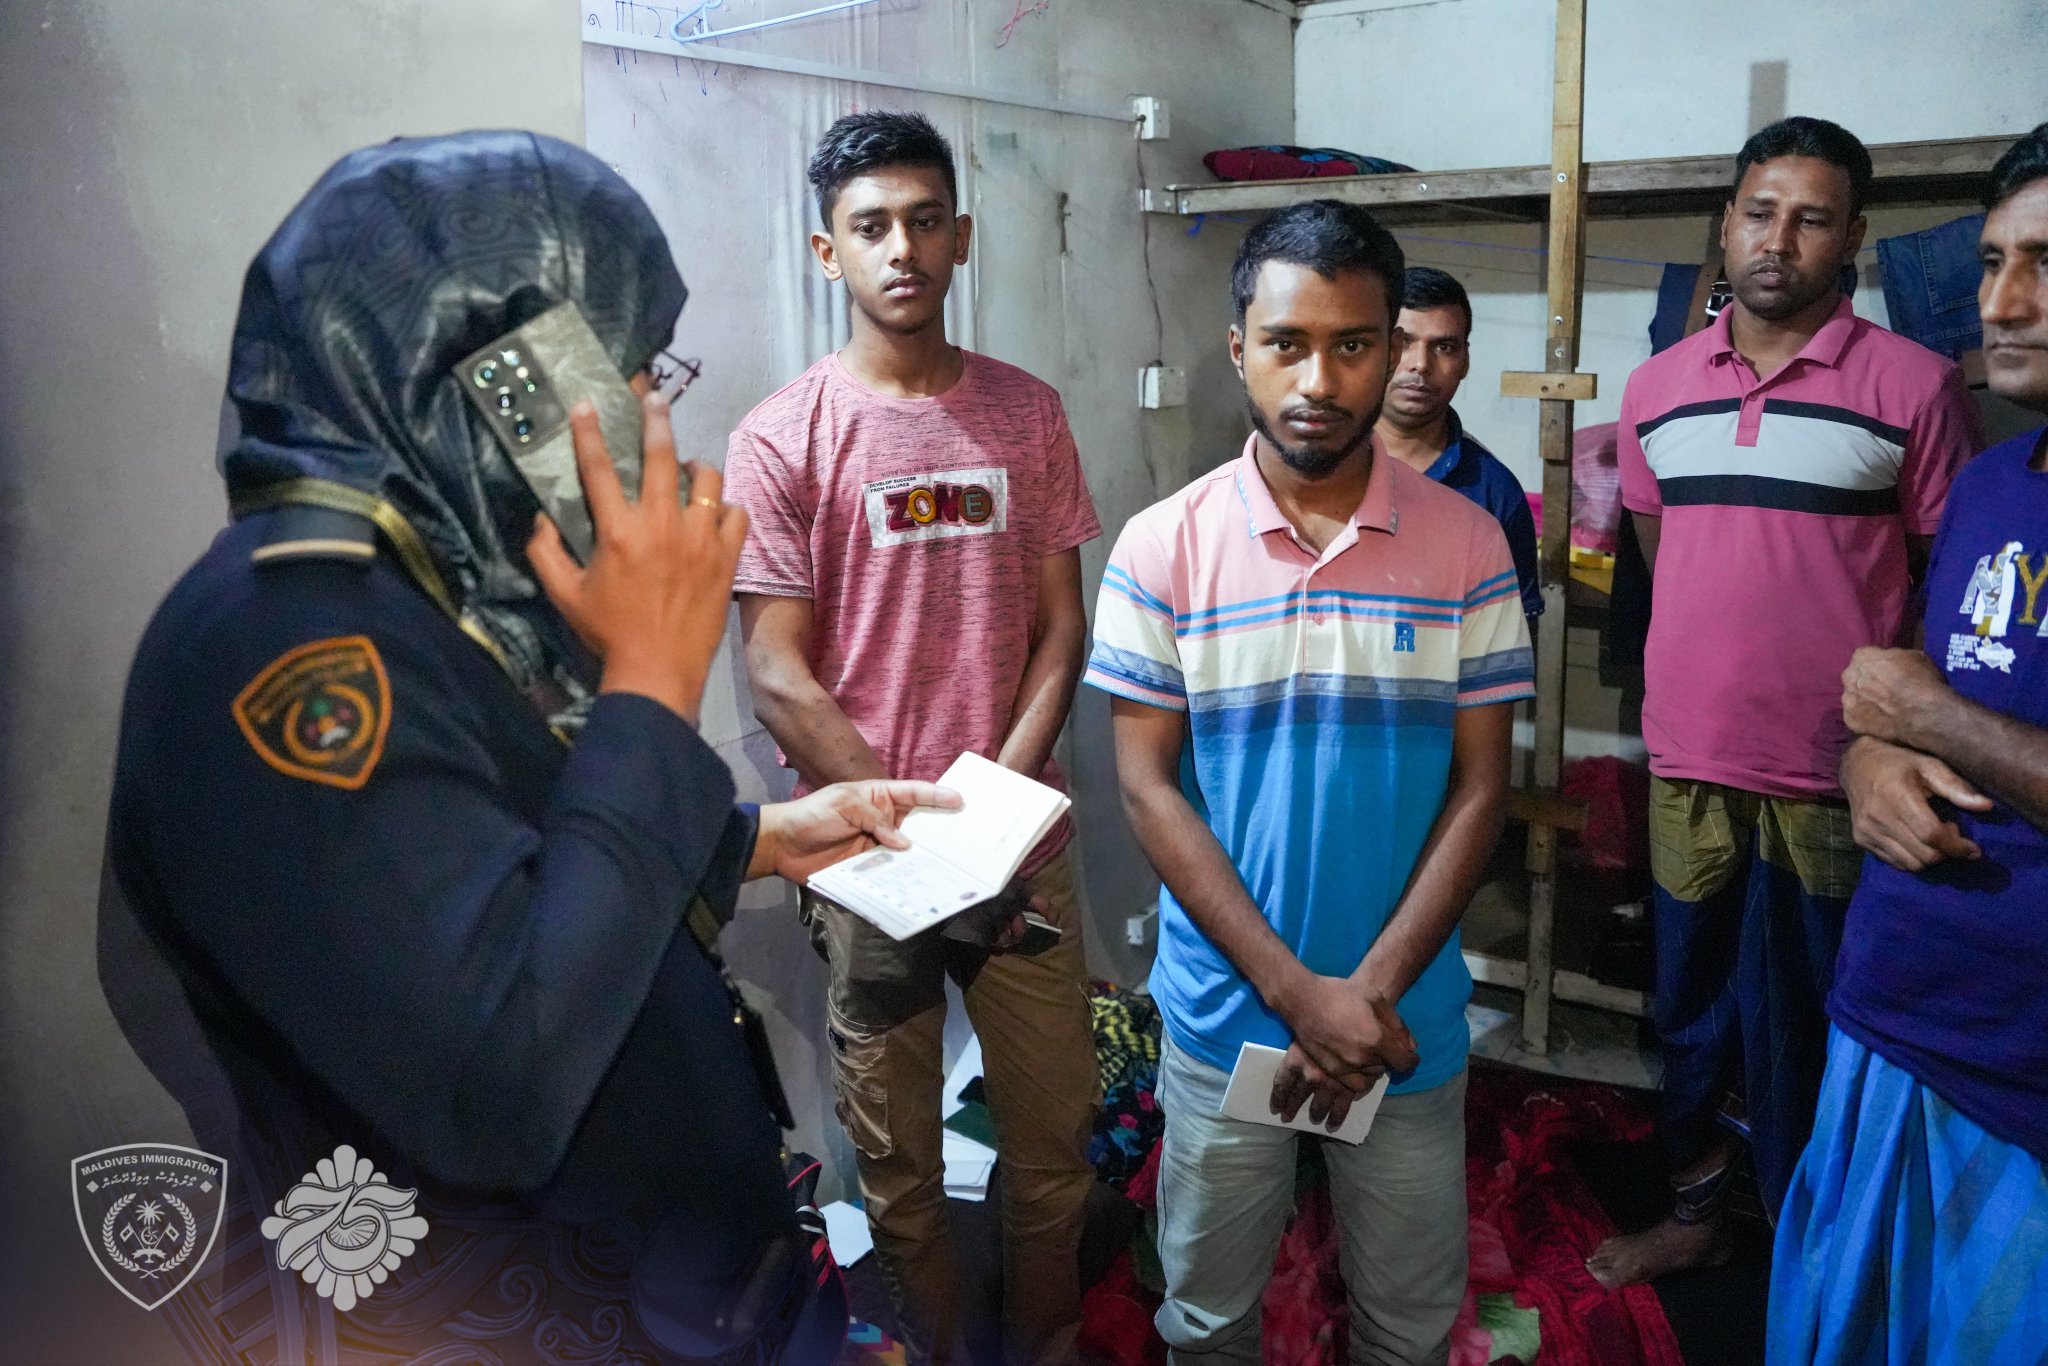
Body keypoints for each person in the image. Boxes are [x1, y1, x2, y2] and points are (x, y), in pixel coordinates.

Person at [99, 131, 956, 1364]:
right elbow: (499, 1079)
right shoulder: (288, 645)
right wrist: (651, 681)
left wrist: (753, 843)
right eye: (628, 368)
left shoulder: (429, 588)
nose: (654, 409)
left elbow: (496, 859)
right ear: (507, 388)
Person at [1086, 199, 1532, 1365]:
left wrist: (1363, 999)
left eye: (1351, 345)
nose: (1318, 380)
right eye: (1287, 343)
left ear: (1389, 352)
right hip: (1228, 1021)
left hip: (1402, 1025)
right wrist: (1299, 996)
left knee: (1406, 1329)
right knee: (1207, 1323)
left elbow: (1480, 788)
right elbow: (1145, 791)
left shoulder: (1467, 544)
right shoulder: (1160, 546)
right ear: (1237, 346)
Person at [721, 111, 1101, 1366]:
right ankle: (934, 1349)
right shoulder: (781, 437)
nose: (903, 249)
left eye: (925, 221)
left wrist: (992, 805)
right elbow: (774, 671)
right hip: (866, 859)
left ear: (961, 237)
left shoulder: (1026, 414)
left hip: (1019, 849)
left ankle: (1044, 1341)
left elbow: (1061, 626)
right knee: (897, 1160)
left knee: (1052, 1142)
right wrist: (904, 820)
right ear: (826, 252)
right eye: (872, 226)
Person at [1590, 115, 1983, 1288]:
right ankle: (1695, 1210)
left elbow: (1939, 583)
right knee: (1688, 1001)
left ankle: (1809, 1243)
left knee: (1822, 1010)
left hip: (1840, 770)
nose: (1778, 239)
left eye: (1811, 219)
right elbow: (1660, 558)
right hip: (1690, 756)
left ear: (1851, 239)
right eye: (1758, 212)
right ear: (1724, 225)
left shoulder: (1913, 385)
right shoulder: (1656, 388)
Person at [1768, 123, 2048, 1366]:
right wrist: (1866, 762)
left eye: (2043, 264)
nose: (2001, 303)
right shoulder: (1994, 484)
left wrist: (1925, 721)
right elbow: (1906, 701)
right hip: (1894, 1013)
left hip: (2020, 1070)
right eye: (1990, 261)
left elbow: (1931, 706)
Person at [1376, 265, 1544, 630]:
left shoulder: (1493, 493)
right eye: (1403, 343)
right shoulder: (1322, 468)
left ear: (1464, 361)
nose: (1420, 365)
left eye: (1443, 347)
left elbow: (1510, 643)